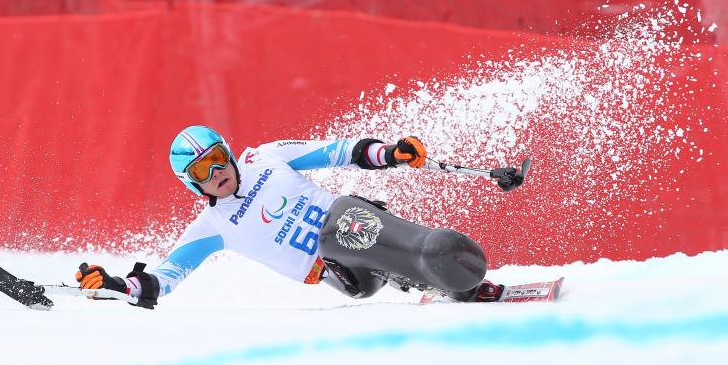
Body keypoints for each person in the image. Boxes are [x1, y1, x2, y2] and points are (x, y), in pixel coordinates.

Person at [75, 125, 503, 309]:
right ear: (191, 185)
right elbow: (164, 279)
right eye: (202, 172)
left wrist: (390, 153)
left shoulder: (266, 158)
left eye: (219, 158)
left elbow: (341, 151)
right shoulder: (212, 227)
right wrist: (117, 285)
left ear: (229, 150)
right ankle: (427, 267)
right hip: (343, 277)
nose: (219, 172)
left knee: (346, 223)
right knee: (341, 245)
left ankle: (438, 267)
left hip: (353, 221)